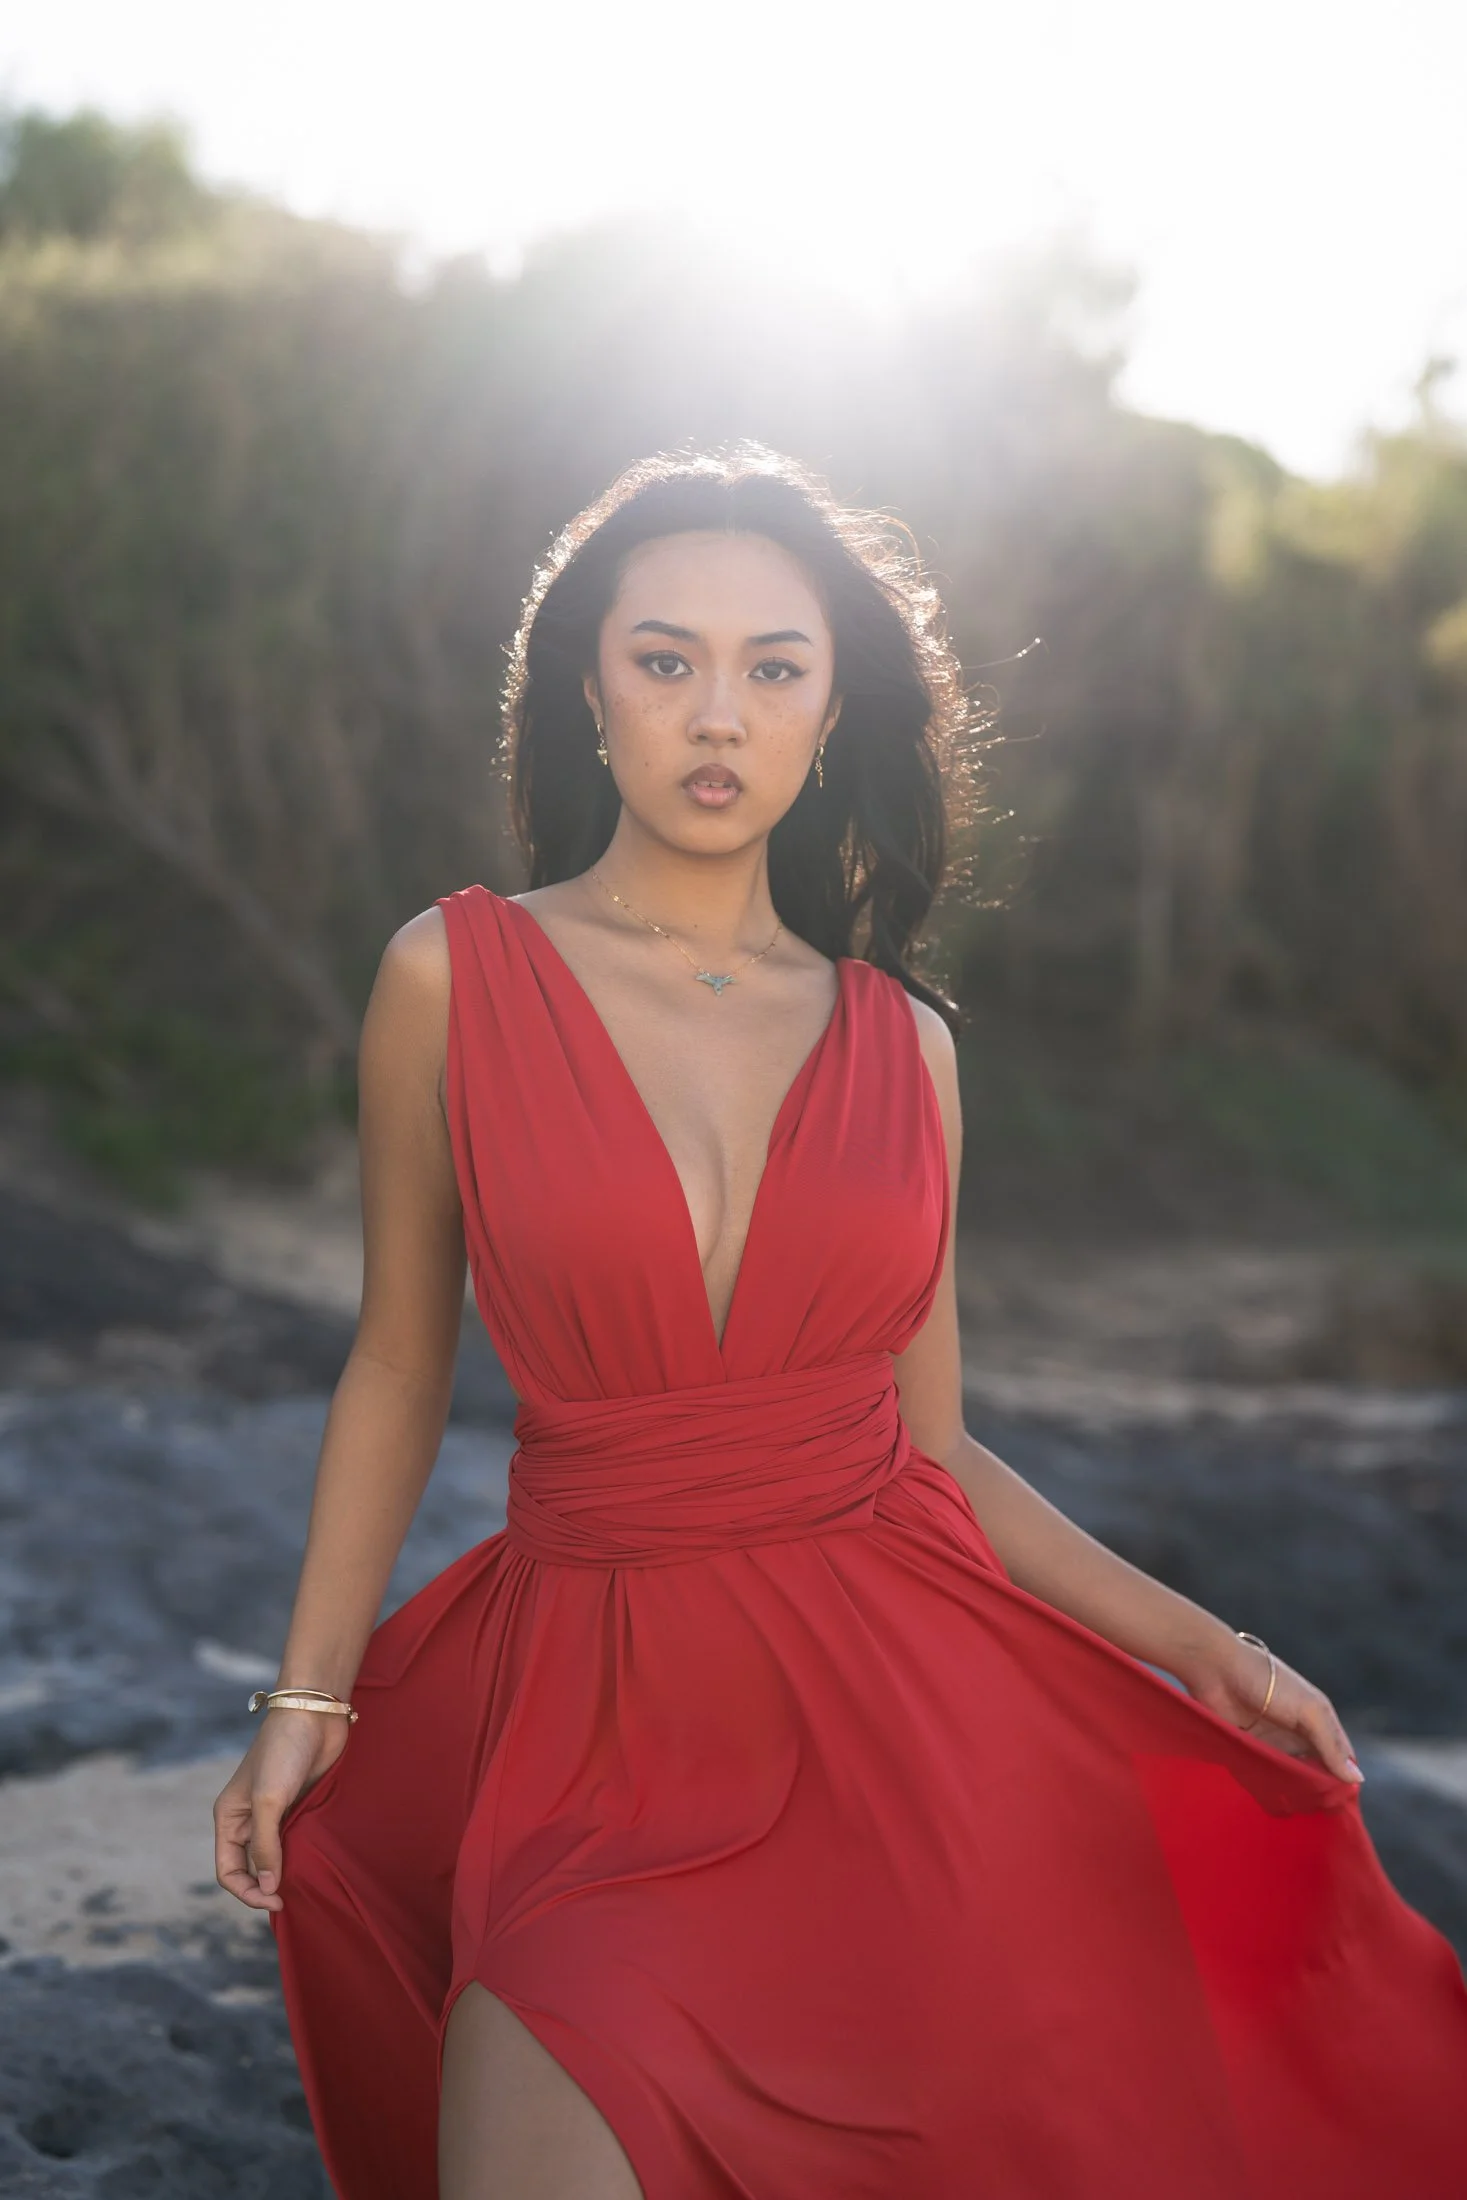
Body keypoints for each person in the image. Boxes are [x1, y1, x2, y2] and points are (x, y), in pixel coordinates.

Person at [213, 446, 1467, 2200]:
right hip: (596, 1738)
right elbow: (400, 1361)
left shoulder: (905, 1044)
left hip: (896, 1742)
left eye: (773, 667)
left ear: (829, 710)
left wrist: (1208, 1650)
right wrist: (309, 1691)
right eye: (664, 660)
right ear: (586, 692)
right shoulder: (454, 973)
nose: (717, 713)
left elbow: (928, 1448)